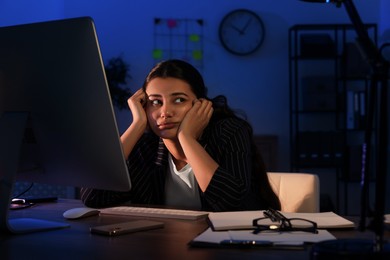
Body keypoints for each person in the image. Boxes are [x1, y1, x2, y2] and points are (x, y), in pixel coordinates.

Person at [81, 59, 280, 212]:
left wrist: (187, 138)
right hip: (165, 245)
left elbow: (229, 206)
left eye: (178, 100)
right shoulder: (147, 146)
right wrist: (137, 125)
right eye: (155, 102)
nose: (165, 112)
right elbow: (93, 196)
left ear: (200, 103)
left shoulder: (229, 131)